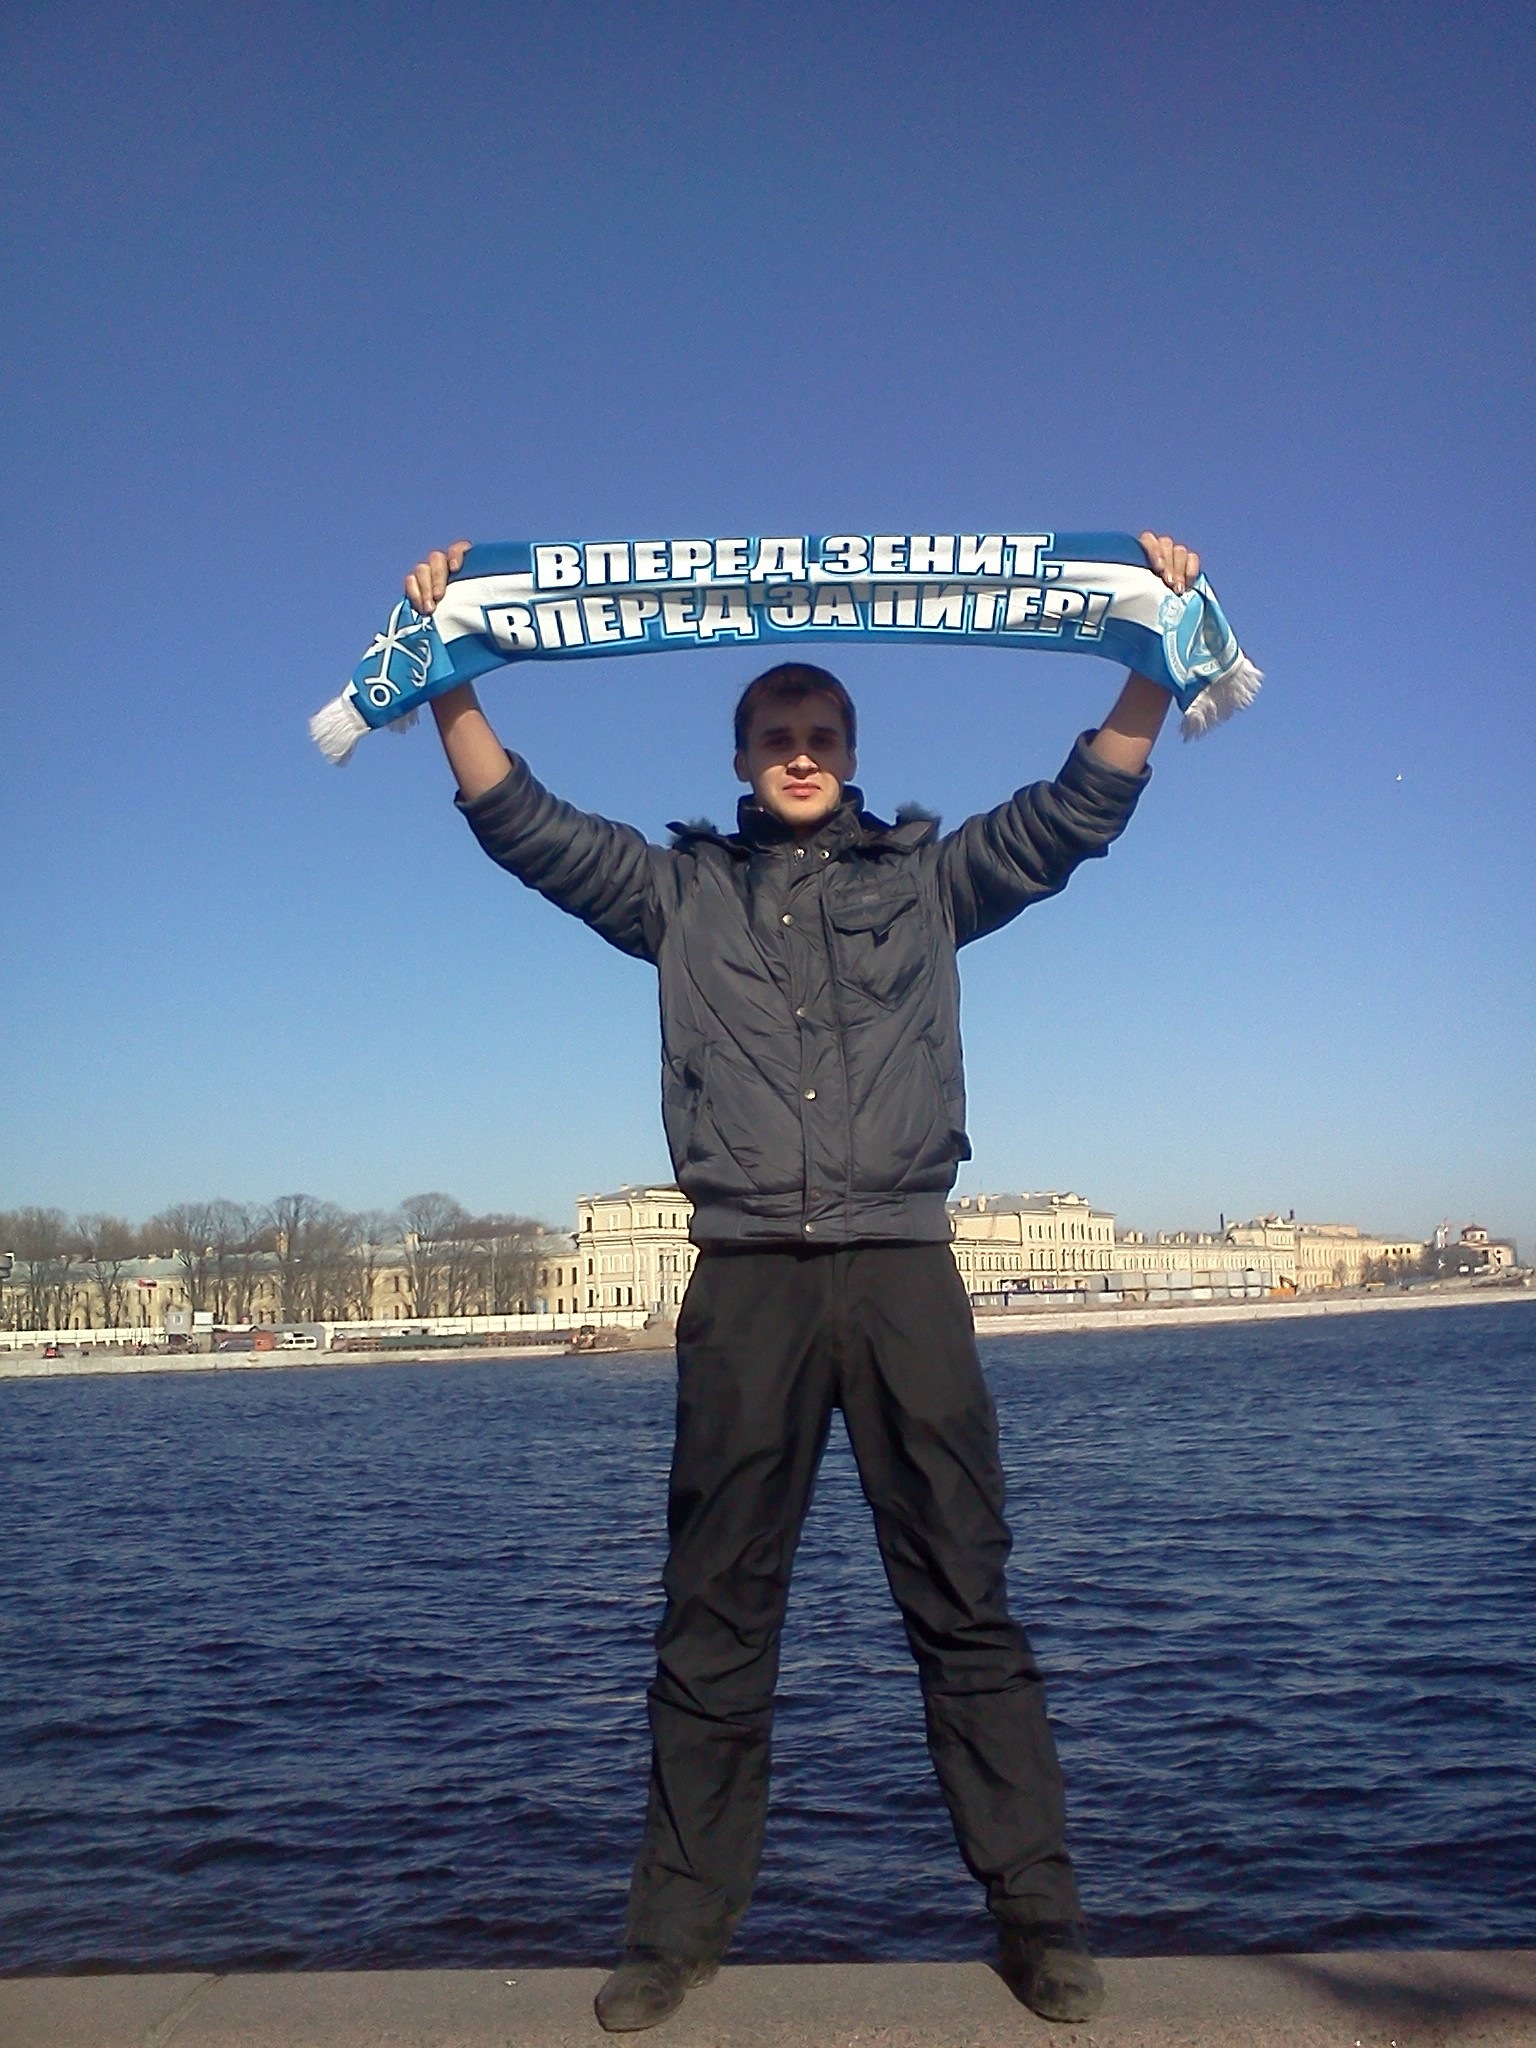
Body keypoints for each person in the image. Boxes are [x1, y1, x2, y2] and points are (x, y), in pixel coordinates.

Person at [405, 531, 1199, 2030]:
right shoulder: (675, 895)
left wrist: (1152, 653)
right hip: (748, 1287)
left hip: (903, 1277)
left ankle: (1041, 1924)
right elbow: (521, 826)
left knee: (965, 1606)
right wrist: (449, 673)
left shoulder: (933, 880)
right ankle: (671, 1939)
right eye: (777, 735)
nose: (800, 754)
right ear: (740, 759)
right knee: (712, 1618)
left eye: (822, 734)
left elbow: (1076, 813)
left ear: (850, 753)